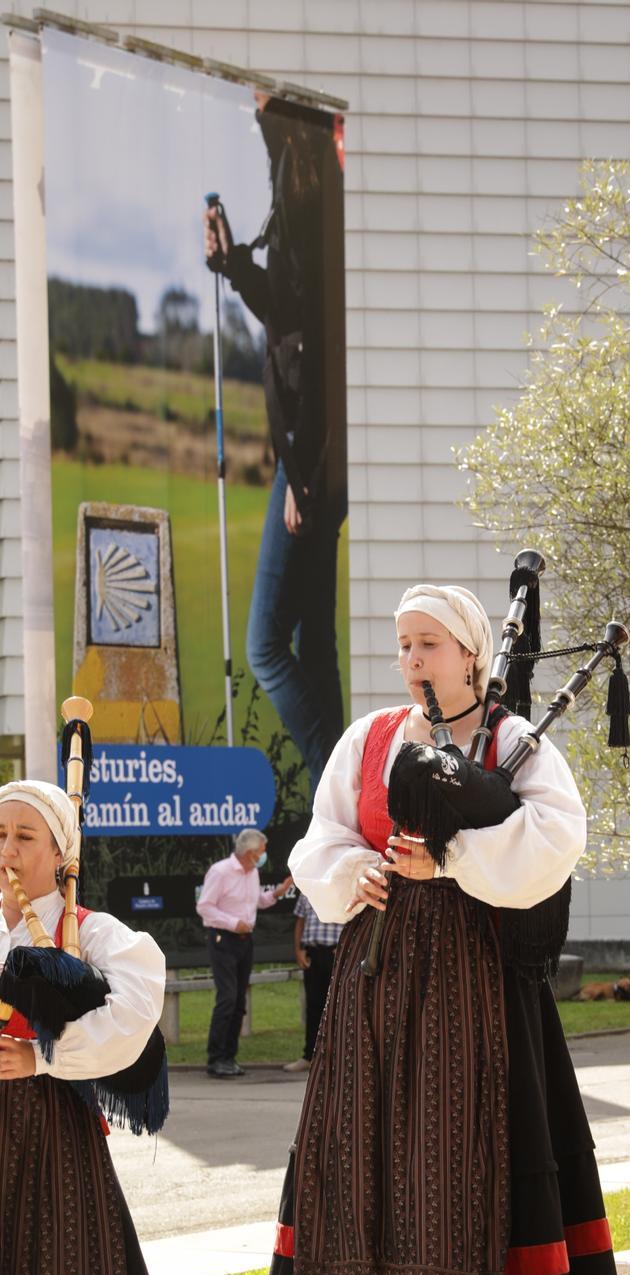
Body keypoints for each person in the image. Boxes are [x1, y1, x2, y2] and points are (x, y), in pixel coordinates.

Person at [253, 583, 630, 1275]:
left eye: (429, 643)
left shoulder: (515, 741)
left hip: (476, 980)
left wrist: (452, 860)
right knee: (361, 1147)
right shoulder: (371, 737)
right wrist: (355, 873)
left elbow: (555, 838)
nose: (414, 659)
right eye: (404, 644)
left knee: (458, 1147)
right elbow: (322, 835)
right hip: (376, 975)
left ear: (471, 654)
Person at [0, 780, 169, 1275]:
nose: (9, 851)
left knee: (59, 1263)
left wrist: (42, 1057)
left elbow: (135, 1011)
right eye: (0, 835)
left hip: (53, 1131)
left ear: (60, 856)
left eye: (24, 837)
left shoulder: (92, 931)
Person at [203, 94, 347, 800]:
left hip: (311, 464)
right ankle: (343, 793)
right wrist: (234, 265)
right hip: (321, 461)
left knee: (266, 646)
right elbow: (292, 321)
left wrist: (300, 474)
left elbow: (312, 354)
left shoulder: (307, 203)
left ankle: (336, 787)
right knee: (314, 643)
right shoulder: (313, 196)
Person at [197, 828, 293, 1078]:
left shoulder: (253, 872)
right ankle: (216, 1058)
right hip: (223, 939)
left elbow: (255, 902)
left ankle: (229, 1057)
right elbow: (205, 907)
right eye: (261, 852)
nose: (263, 856)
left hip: (245, 941)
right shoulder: (220, 872)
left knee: (239, 1001)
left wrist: (276, 894)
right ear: (250, 852)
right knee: (227, 998)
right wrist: (232, 923)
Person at [283, 887, 341, 1075]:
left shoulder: (344, 884)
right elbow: (300, 920)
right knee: (314, 1007)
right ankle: (310, 1057)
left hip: (339, 954)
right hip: (313, 954)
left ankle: (339, 1058)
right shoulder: (307, 886)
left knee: (340, 1007)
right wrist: (299, 949)